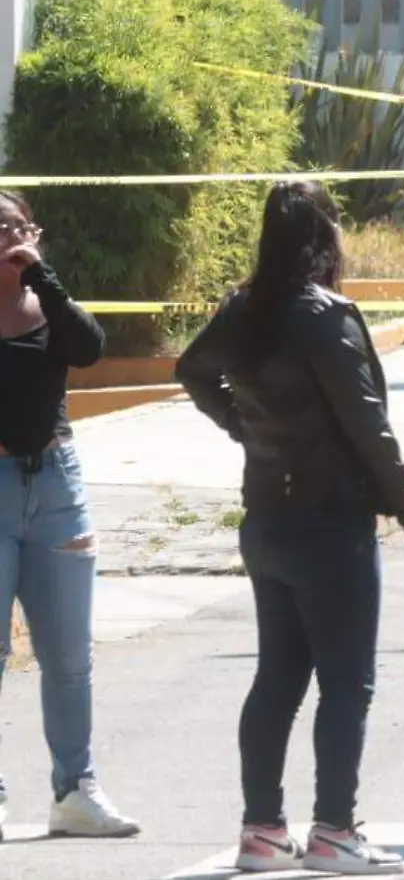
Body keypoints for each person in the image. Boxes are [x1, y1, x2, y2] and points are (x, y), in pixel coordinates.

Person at [177, 181, 404, 875]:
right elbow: (367, 425)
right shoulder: (326, 316)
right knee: (348, 683)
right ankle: (334, 829)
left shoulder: (244, 308)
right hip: (331, 520)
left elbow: (191, 369)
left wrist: (243, 424)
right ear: (327, 236)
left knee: (278, 678)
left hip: (267, 515)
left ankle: (262, 829)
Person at [0, 190, 140, 841]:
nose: (6, 238)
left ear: (36, 233)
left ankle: (74, 789)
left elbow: (88, 348)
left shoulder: (48, 304)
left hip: (56, 485)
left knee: (68, 654)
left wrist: (42, 280)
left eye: (15, 227)